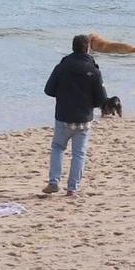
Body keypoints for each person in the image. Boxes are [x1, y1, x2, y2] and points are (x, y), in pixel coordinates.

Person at [44, 34, 116, 197]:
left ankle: (53, 181)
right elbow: (101, 100)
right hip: (83, 119)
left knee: (57, 148)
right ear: (88, 48)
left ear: (72, 47)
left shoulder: (61, 67)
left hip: (63, 116)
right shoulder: (94, 71)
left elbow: (48, 90)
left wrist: (63, 94)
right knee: (79, 154)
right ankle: (72, 188)